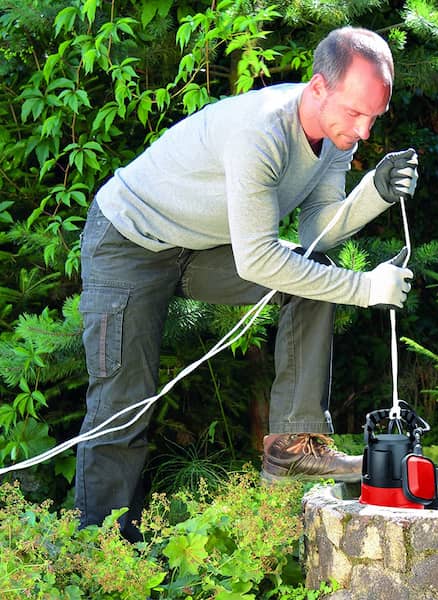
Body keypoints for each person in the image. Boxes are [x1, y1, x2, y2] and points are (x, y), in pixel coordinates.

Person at [75, 26, 418, 542]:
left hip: (202, 247)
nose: (365, 131)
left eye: (375, 116)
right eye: (355, 112)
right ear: (318, 87)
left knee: (310, 273)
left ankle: (292, 448)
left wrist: (374, 193)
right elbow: (258, 258)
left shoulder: (335, 136)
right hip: (129, 240)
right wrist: (365, 287)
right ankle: (97, 557)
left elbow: (316, 228)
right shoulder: (259, 132)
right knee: (121, 410)